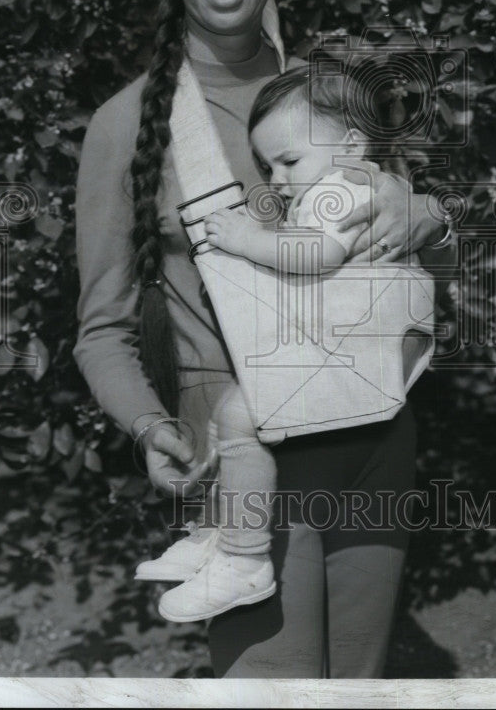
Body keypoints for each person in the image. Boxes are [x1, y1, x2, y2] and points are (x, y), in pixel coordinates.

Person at [73, 0, 454, 678]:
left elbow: (409, 251)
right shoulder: (125, 124)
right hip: (247, 452)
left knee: (360, 681)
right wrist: (151, 426)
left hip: (373, 427)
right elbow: (101, 331)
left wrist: (422, 210)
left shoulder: (329, 94)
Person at [153, 65, 436, 624]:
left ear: (352, 144)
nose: (278, 180)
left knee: (240, 416)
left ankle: (243, 558)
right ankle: (220, 529)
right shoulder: (342, 182)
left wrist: (245, 237)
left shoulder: (345, 187)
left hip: (354, 350)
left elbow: (317, 256)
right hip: (342, 346)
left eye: (289, 162)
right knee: (230, 417)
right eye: (268, 167)